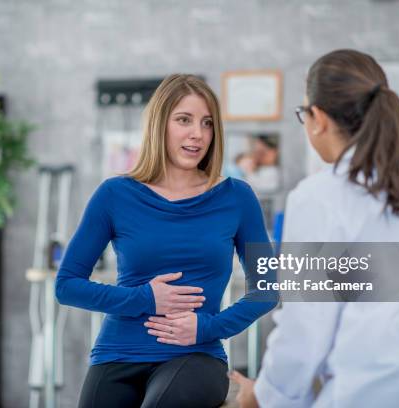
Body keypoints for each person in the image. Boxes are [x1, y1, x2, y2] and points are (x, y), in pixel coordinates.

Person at [230, 49, 399, 407]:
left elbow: (305, 324)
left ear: (318, 118)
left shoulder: (320, 195)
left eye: (302, 113)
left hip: (371, 393)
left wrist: (262, 396)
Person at [55, 74, 277, 407]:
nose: (197, 134)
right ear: (160, 125)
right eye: (184, 120)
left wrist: (208, 328)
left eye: (207, 123)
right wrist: (145, 299)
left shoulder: (237, 197)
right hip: (117, 352)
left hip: (196, 356)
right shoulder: (114, 194)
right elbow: (67, 285)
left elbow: (267, 289)